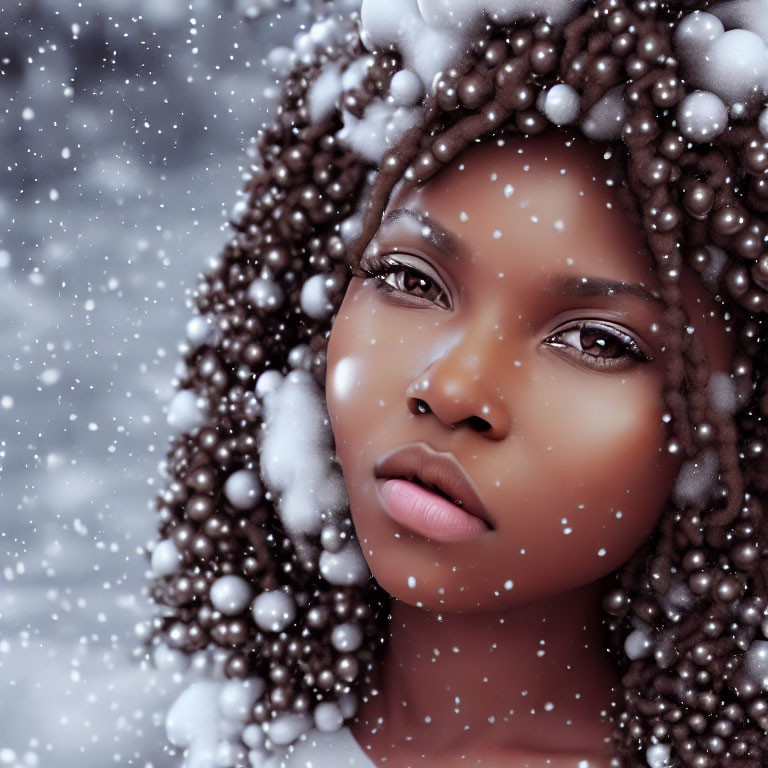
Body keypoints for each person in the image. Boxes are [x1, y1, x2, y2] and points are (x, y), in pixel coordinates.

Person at [149, 1, 768, 766]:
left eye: (596, 341)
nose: (453, 388)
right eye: (410, 279)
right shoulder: (236, 732)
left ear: (737, 424)